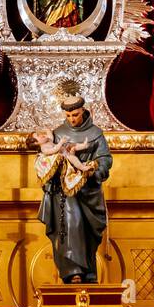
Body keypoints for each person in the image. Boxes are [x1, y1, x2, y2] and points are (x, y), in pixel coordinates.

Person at [35, 93, 112, 283]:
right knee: (70, 224)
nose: (72, 119)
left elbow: (105, 158)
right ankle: (73, 271)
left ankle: (88, 272)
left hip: (89, 189)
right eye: (68, 116)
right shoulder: (59, 133)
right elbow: (47, 155)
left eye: (75, 115)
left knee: (89, 232)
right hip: (65, 191)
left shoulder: (96, 134)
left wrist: (96, 170)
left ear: (83, 111)